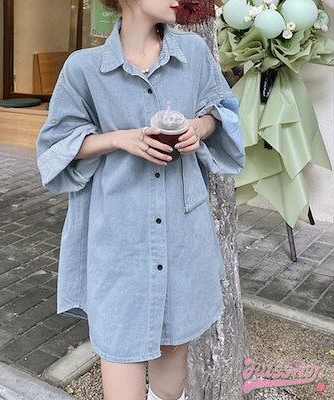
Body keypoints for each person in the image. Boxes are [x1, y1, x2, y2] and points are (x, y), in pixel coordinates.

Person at [36, 0, 245, 399]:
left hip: (182, 237)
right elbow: (55, 146)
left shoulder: (194, 53)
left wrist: (197, 128)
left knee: (170, 385)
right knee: (121, 367)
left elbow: (220, 110)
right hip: (118, 240)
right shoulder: (84, 68)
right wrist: (120, 139)